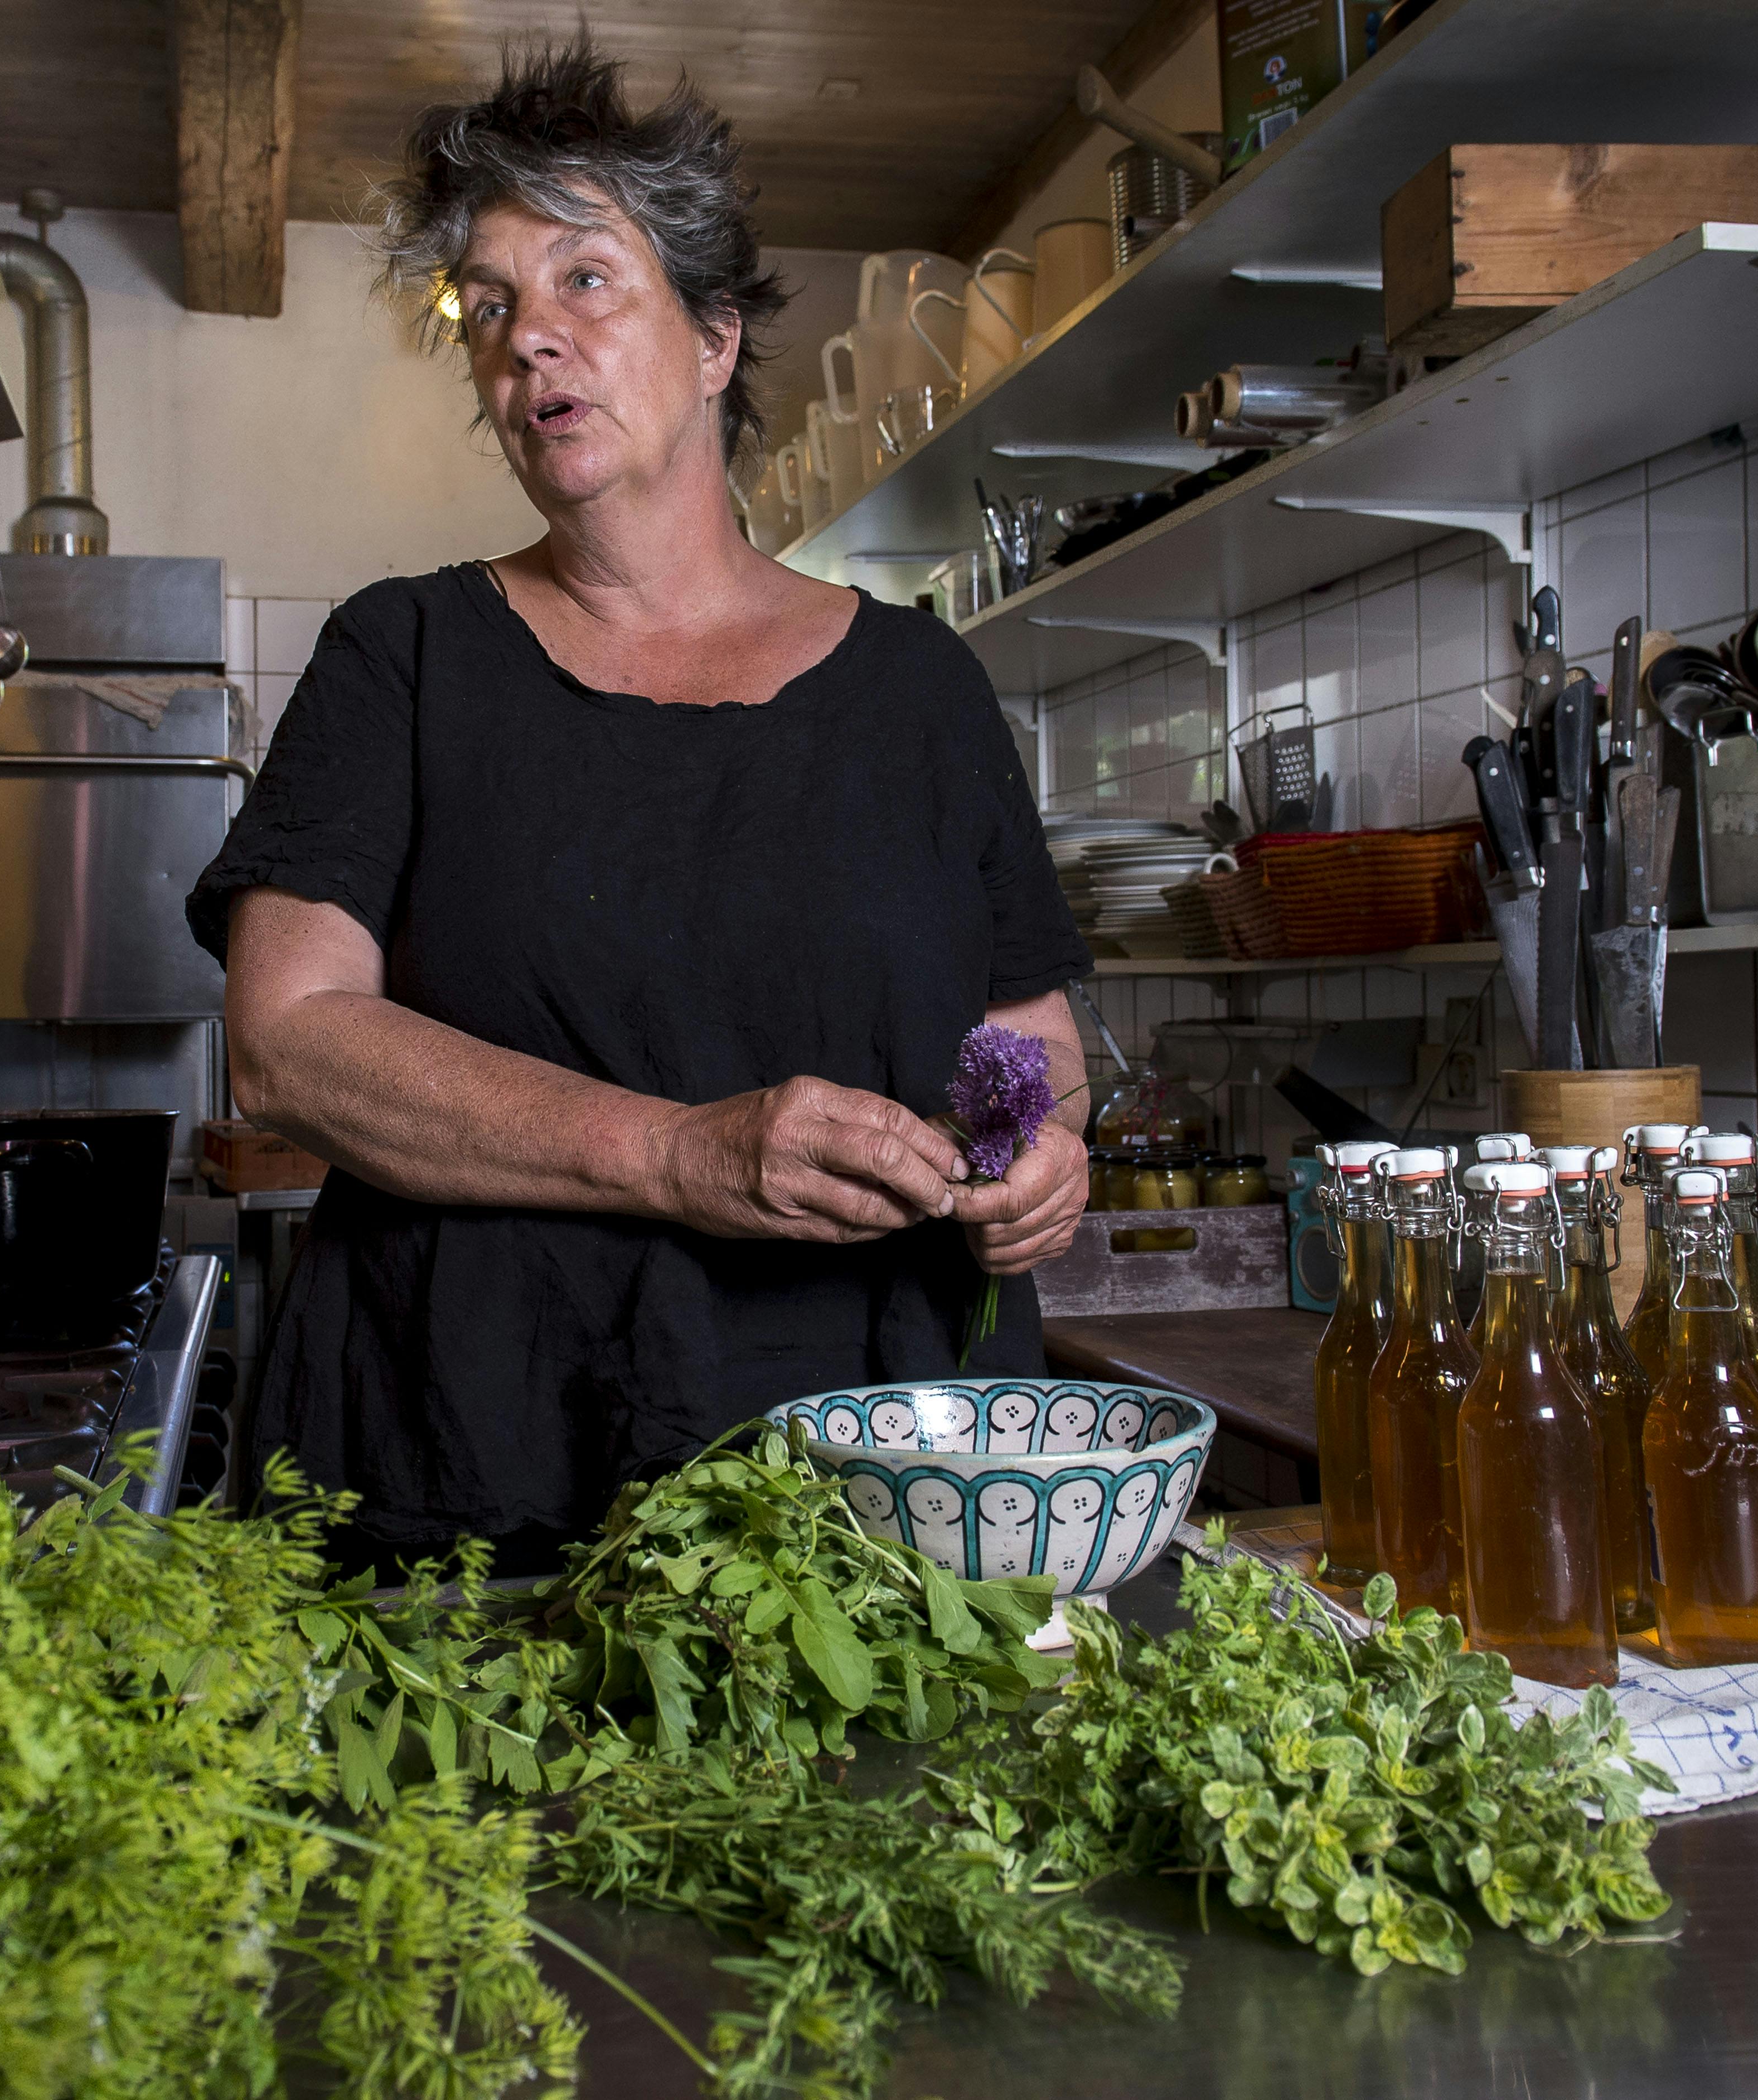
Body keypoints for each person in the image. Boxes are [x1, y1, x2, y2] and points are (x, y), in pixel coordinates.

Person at [186, 40, 1093, 1576]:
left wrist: (1043, 1157)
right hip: (473, 1460)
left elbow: (1031, 1041)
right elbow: (287, 1046)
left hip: (870, 1468)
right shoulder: (404, 656)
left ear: (718, 338)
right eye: (488, 308)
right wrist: (681, 1153)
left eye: (585, 281)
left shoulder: (920, 690)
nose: (527, 339)